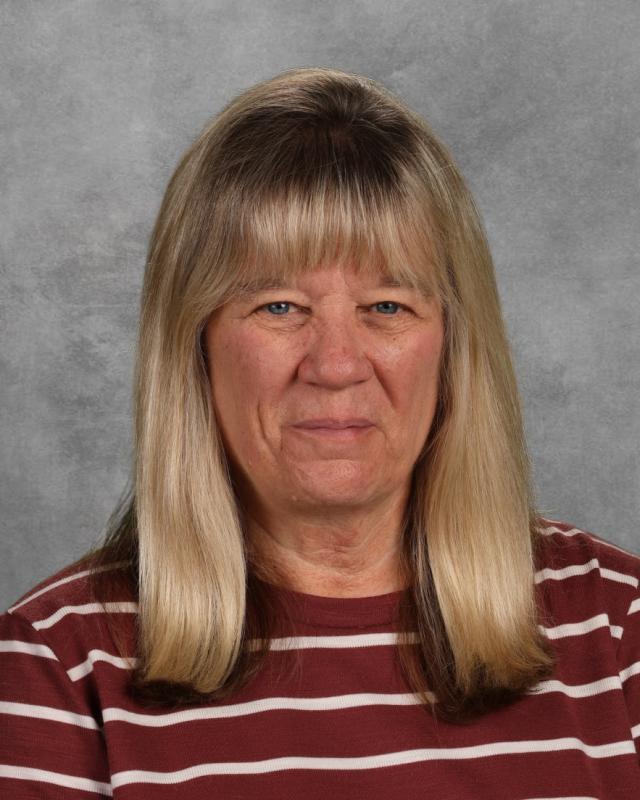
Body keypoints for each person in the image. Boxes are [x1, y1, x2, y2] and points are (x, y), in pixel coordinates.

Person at [1, 66, 638, 799]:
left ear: (454, 343)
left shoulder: (618, 626)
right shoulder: (56, 667)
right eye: (278, 306)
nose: (336, 365)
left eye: (388, 306)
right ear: (196, 345)